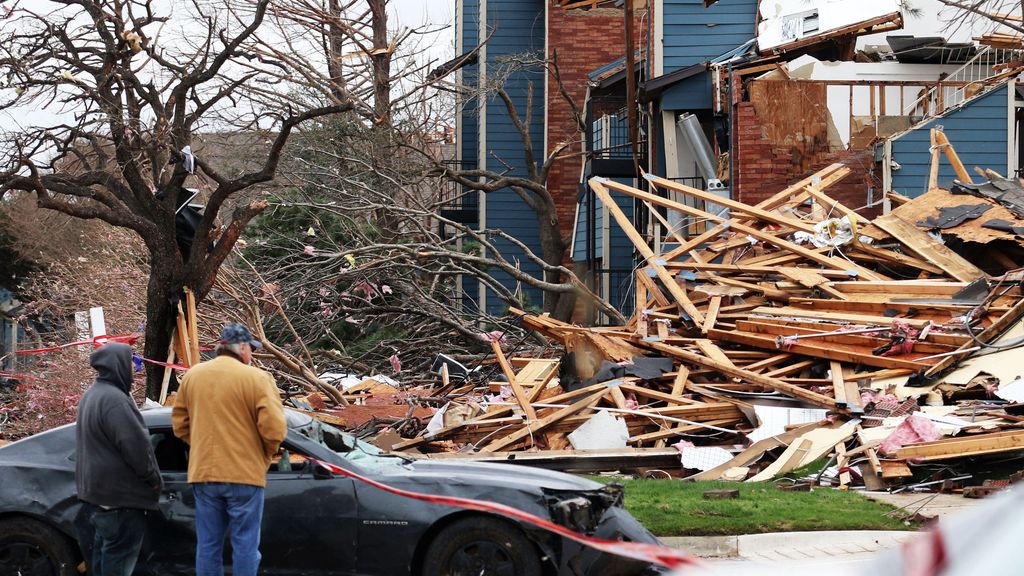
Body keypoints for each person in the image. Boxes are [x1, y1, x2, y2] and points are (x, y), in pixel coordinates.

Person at [172, 322, 286, 576]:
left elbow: (180, 425)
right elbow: (274, 429)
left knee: (208, 545)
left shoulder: (193, 376)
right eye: (252, 350)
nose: (252, 355)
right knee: (245, 545)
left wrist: (202, 445)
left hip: (204, 474)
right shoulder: (257, 378)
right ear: (242, 347)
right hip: (244, 474)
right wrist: (265, 453)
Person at [75, 342, 162, 576]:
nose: (133, 369)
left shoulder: (92, 396)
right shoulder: (115, 400)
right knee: (118, 563)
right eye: (129, 363)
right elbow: (135, 446)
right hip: (120, 501)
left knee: (104, 561)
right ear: (119, 365)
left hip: (98, 498)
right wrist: (153, 479)